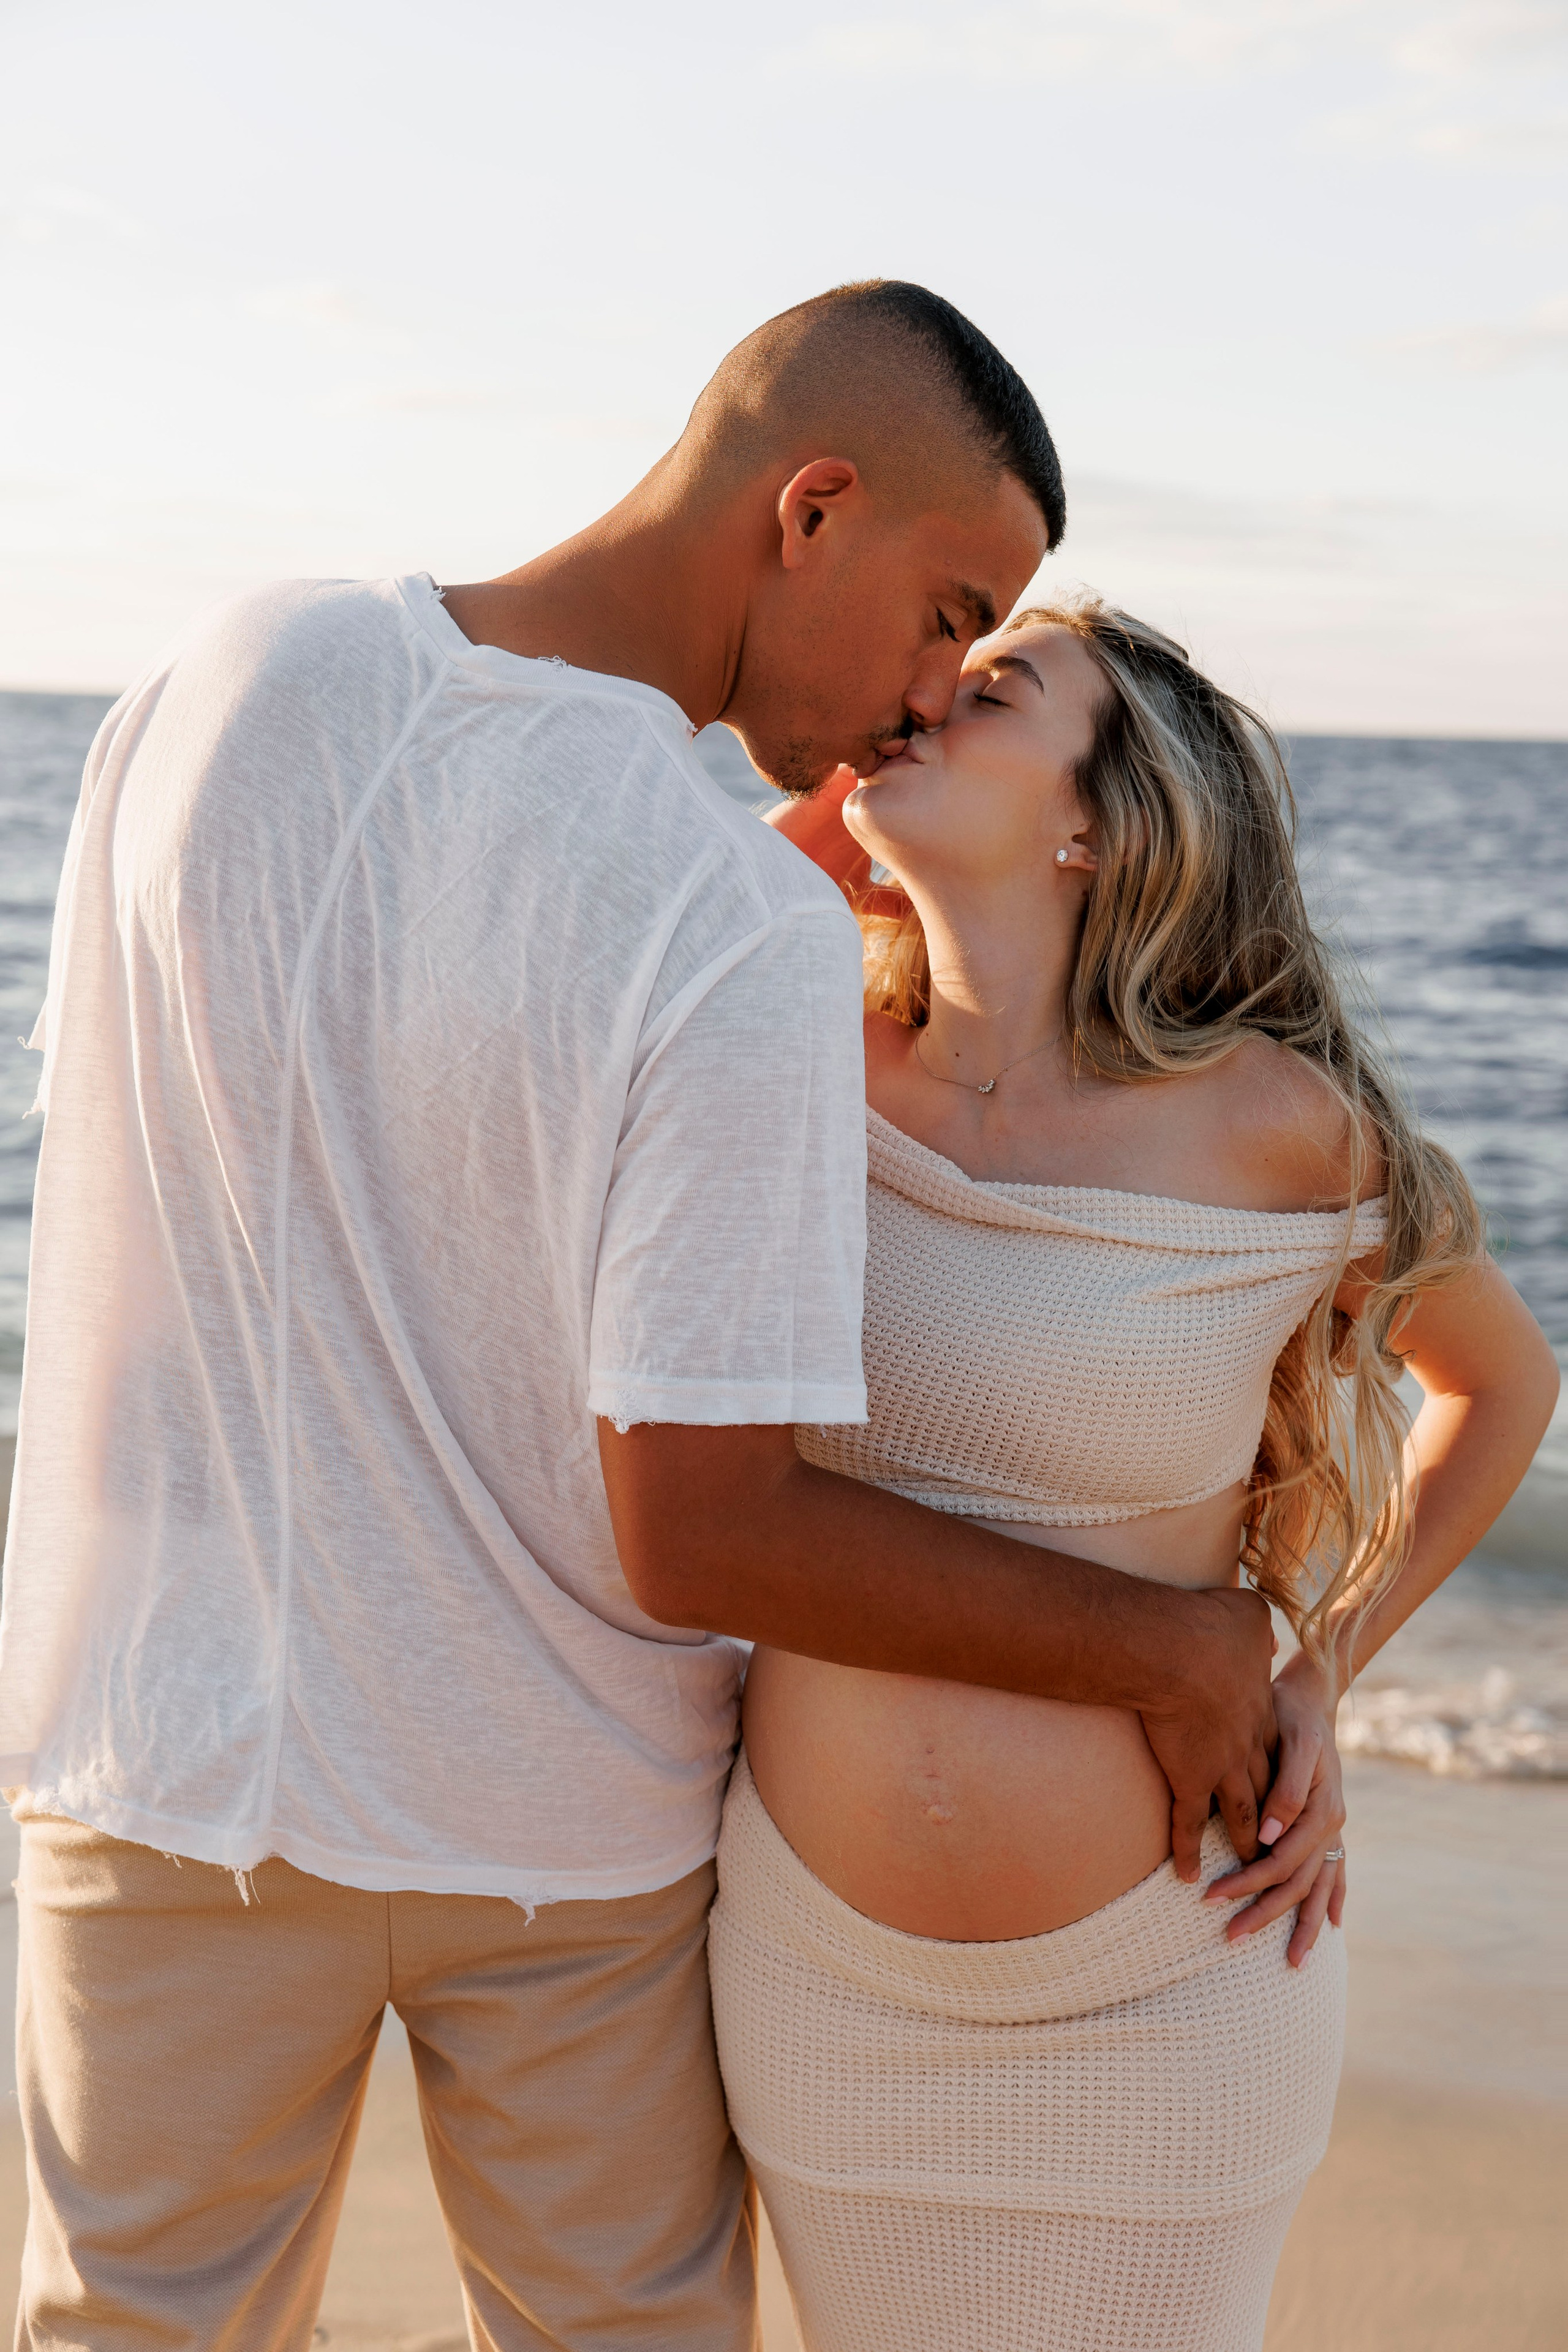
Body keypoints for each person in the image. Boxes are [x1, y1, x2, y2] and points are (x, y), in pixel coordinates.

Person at [3, 286, 1282, 2351]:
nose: (938, 687)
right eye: (949, 609)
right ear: (813, 507)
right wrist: (1184, 1645)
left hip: (164, 1772)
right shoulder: (724, 919)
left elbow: (171, 1203)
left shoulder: (222, 678)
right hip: (559, 1844)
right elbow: (705, 1528)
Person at [709, 599, 1559, 2352]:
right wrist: (804, 837)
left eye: (995, 690)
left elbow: (1500, 1380)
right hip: (819, 1981)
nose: (925, 696)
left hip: (1164, 1991)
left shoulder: (1277, 1128)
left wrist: (1324, 1665)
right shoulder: (792, 1054)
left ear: (1098, 821)